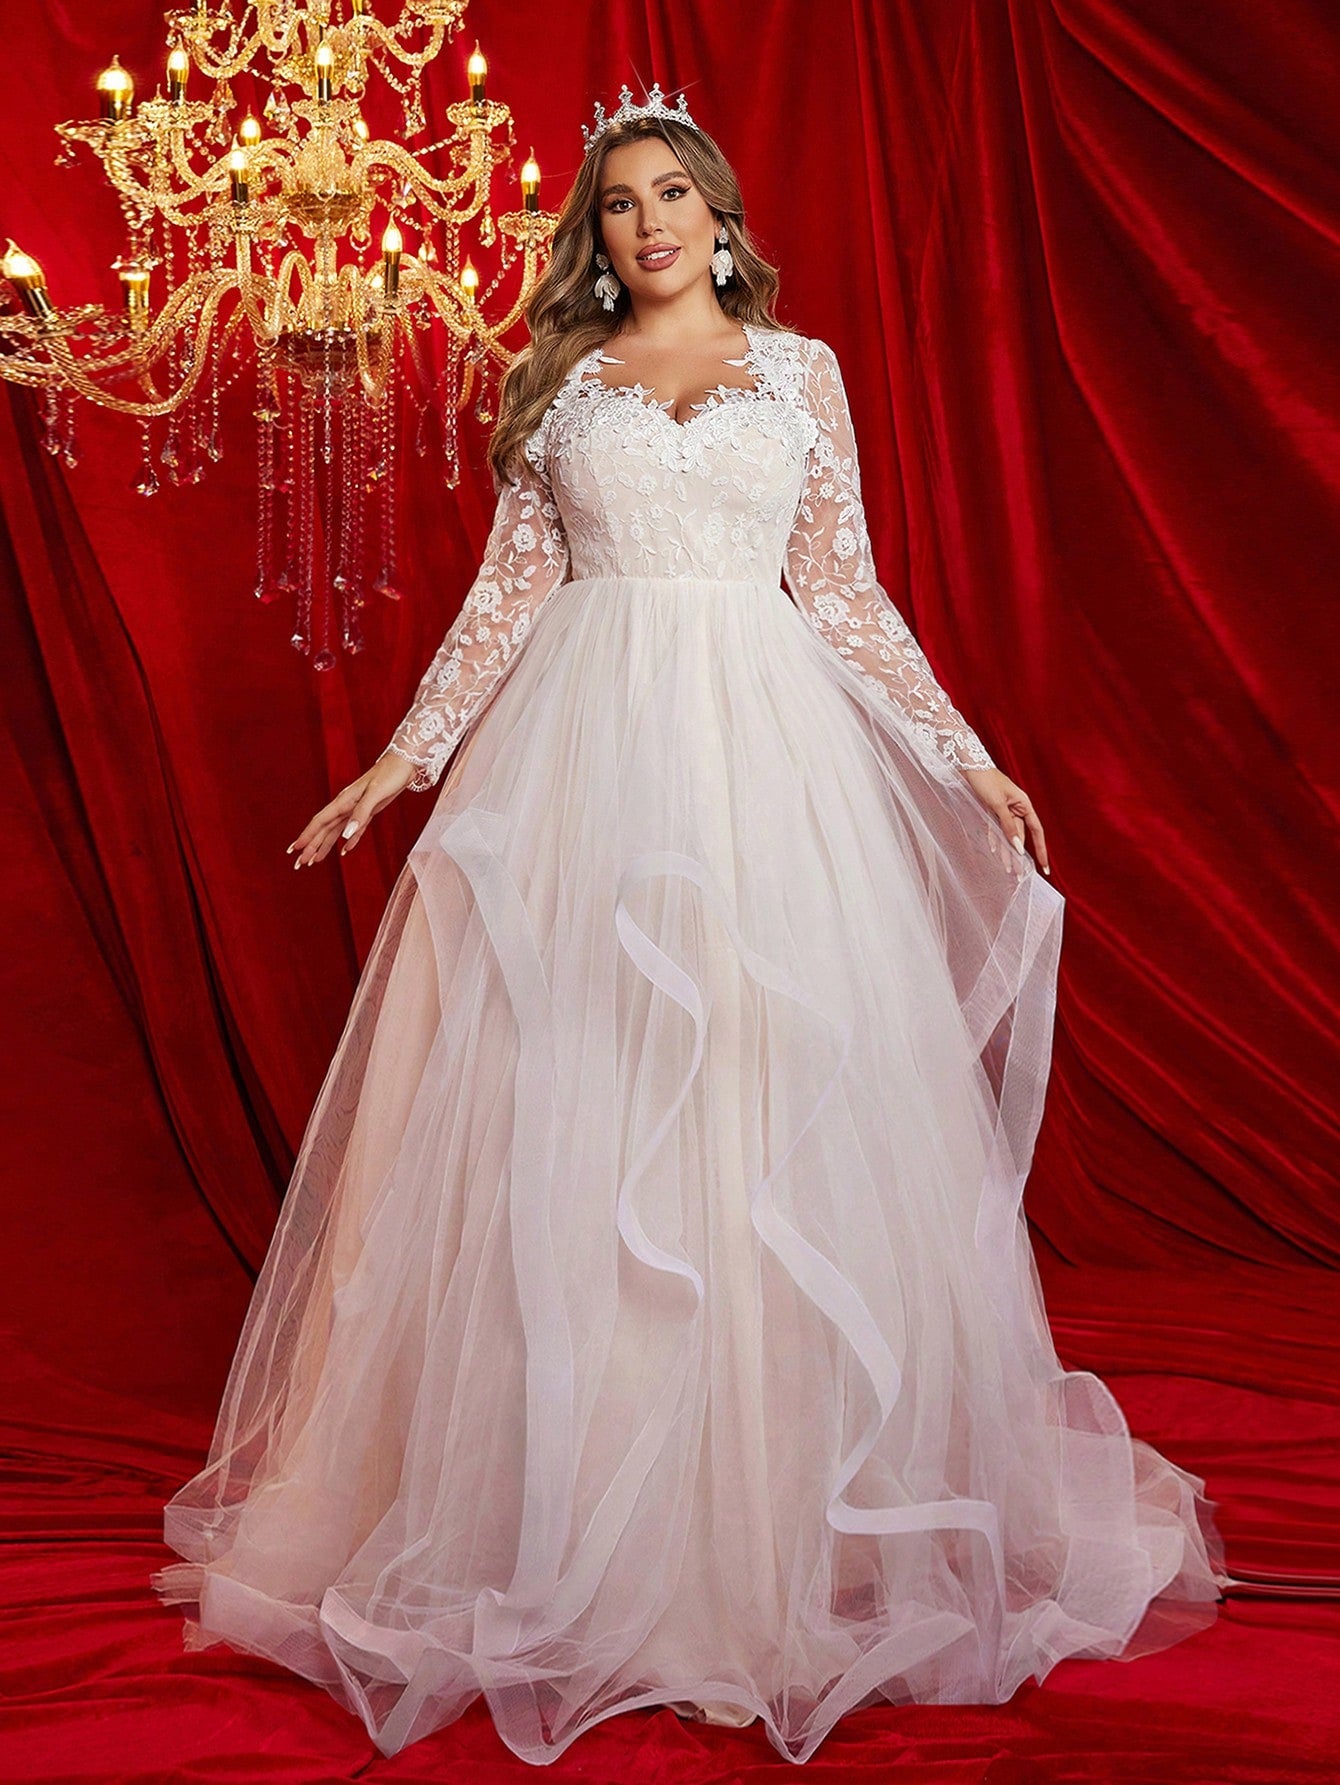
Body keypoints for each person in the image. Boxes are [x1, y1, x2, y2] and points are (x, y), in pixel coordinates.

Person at [152, 85, 1230, 1766]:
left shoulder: (802, 375)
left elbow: (844, 589)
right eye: (620, 202)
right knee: (583, 1130)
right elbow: (504, 598)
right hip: (585, 774)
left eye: (673, 195)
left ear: (720, 219)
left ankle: (757, 1555)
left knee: (754, 1127)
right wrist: (402, 760)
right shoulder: (562, 385)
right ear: (595, 236)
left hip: (763, 771)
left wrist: (965, 753)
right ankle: (592, 1552)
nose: (649, 222)